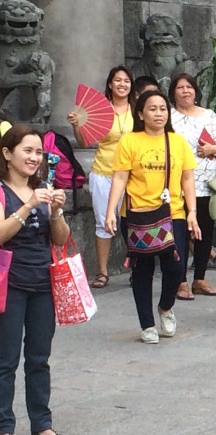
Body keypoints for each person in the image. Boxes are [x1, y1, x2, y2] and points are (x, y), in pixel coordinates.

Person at [105, 90, 200, 344]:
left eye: (162, 109)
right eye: (152, 109)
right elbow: (120, 177)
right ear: (140, 114)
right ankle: (146, 323)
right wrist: (111, 211)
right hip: (137, 215)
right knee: (142, 269)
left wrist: (192, 212)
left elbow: (188, 178)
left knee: (176, 266)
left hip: (173, 213)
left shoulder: (177, 142)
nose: (158, 113)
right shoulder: (130, 141)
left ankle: (166, 307)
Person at [0, 125, 72, 435]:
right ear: (7, 154)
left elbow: (59, 238)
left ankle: (42, 423)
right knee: (6, 359)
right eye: (27, 151)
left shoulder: (43, 187)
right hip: (10, 283)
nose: (34, 157)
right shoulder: (3, 191)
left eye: (38, 152)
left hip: (43, 281)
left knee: (39, 357)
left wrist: (55, 210)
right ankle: (4, 427)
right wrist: (28, 205)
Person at [67, 65, 134, 288]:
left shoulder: (138, 110)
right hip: (104, 172)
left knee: (135, 223)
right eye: (118, 80)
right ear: (110, 84)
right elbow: (85, 142)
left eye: (126, 80)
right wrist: (77, 126)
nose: (122, 84)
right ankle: (103, 271)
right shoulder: (101, 111)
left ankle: (137, 266)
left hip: (134, 174)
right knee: (103, 223)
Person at [169, 72, 216, 298]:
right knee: (180, 233)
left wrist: (211, 150)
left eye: (189, 87)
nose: (185, 91)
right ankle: (181, 281)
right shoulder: (169, 117)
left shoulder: (209, 116)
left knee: (204, 232)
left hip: (206, 184)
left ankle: (200, 279)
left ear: (196, 91)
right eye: (180, 87)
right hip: (177, 185)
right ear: (173, 92)